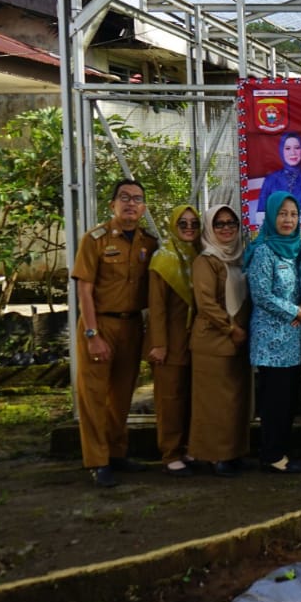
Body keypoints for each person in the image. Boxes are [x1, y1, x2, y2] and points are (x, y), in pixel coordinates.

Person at [71, 179, 158, 487]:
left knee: (121, 396)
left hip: (132, 326)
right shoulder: (94, 239)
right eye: (124, 197)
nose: (131, 203)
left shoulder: (149, 243)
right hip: (100, 324)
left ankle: (117, 453)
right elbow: (84, 289)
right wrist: (92, 334)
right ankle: (98, 461)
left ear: (144, 208)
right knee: (94, 395)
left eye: (137, 199)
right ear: (113, 205)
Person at [247, 192, 301, 474]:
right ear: (272, 216)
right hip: (271, 341)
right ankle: (271, 455)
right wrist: (295, 312)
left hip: (292, 341)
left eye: (293, 214)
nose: (288, 220)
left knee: (288, 399)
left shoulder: (298, 250)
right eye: (282, 214)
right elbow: (261, 294)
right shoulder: (264, 251)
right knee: (274, 400)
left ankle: (280, 451)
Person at [188, 204, 252, 477]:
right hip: (213, 342)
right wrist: (231, 329)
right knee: (213, 403)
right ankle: (215, 456)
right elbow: (206, 304)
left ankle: (233, 452)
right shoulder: (206, 260)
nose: (226, 228)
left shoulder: (239, 258)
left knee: (236, 402)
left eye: (231, 223)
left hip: (238, 341)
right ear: (209, 228)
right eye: (219, 224)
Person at [147, 204, 199, 477]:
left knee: (190, 396)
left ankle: (188, 447)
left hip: (193, 342)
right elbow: (156, 307)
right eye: (183, 224)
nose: (189, 228)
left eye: (194, 224)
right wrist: (159, 344)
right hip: (169, 342)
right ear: (173, 226)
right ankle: (170, 453)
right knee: (170, 398)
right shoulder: (162, 260)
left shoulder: (197, 255)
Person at [256, 132, 301, 214]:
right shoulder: (271, 180)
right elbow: (261, 214)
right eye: (287, 148)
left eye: (297, 148)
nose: (293, 153)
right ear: (281, 151)